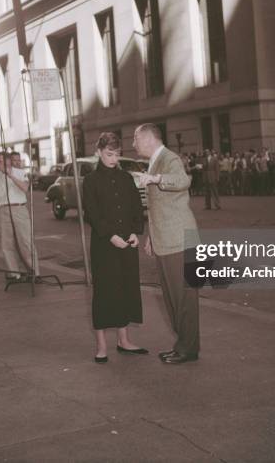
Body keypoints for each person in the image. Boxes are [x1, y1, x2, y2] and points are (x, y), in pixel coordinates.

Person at [134, 123, 200, 364]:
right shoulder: (154, 160)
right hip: (167, 239)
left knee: (183, 297)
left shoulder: (168, 158)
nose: (133, 144)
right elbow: (158, 206)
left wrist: (156, 178)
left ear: (149, 139)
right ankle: (183, 344)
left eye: (136, 139)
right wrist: (151, 235)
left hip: (179, 239)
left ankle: (188, 349)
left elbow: (182, 180)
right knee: (173, 297)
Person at [83, 132, 147, 363]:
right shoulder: (90, 181)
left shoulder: (126, 179)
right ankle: (101, 345)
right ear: (99, 152)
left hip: (127, 242)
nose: (113, 159)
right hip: (104, 244)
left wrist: (134, 231)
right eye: (109, 154)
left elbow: (136, 207)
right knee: (104, 291)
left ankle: (124, 340)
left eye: (117, 155)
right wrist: (110, 235)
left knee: (125, 288)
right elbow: (92, 213)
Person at [0, 151, 39, 278]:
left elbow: (25, 188)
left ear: (8, 161)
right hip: (3, 210)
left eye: (1, 161)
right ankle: (15, 273)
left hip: (18, 208)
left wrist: (11, 175)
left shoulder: (19, 172)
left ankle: (35, 271)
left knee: (25, 241)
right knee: (6, 244)